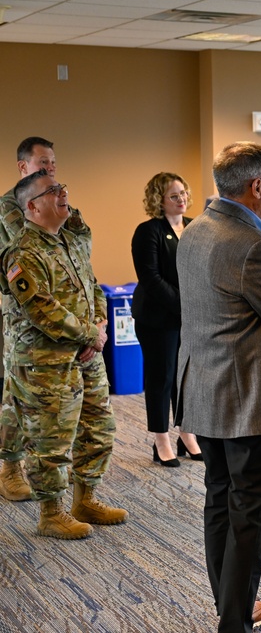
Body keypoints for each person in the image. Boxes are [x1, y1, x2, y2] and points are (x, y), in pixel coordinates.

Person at [176, 142, 261, 633]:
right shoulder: (256, 246)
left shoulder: (194, 231)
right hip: (248, 401)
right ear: (257, 186)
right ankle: (234, 620)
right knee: (250, 514)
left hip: (203, 391)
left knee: (220, 499)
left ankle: (230, 604)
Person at [1, 171, 128, 539]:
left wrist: (100, 324)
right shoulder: (22, 253)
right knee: (50, 439)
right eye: (53, 191)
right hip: (45, 363)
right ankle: (51, 512)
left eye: (63, 188)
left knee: (98, 428)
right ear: (32, 205)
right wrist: (92, 333)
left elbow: (92, 286)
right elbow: (42, 309)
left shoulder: (68, 242)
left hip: (87, 355)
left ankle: (85, 498)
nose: (63, 193)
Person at [0, 137, 91, 502]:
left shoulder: (57, 198)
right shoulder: (13, 206)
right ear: (23, 166)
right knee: (18, 395)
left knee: (58, 400)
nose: (50, 167)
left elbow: (78, 250)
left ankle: (51, 466)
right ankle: (10, 465)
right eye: (42, 162)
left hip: (69, 316)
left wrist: (87, 326)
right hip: (28, 321)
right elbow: (31, 256)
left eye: (53, 162)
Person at [130, 172, 199, 467]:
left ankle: (187, 435)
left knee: (187, 379)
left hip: (190, 318)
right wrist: (185, 306)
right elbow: (151, 279)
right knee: (162, 378)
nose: (181, 199)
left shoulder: (196, 227)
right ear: (158, 200)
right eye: (174, 195)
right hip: (158, 318)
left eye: (183, 193)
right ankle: (161, 441)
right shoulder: (148, 231)